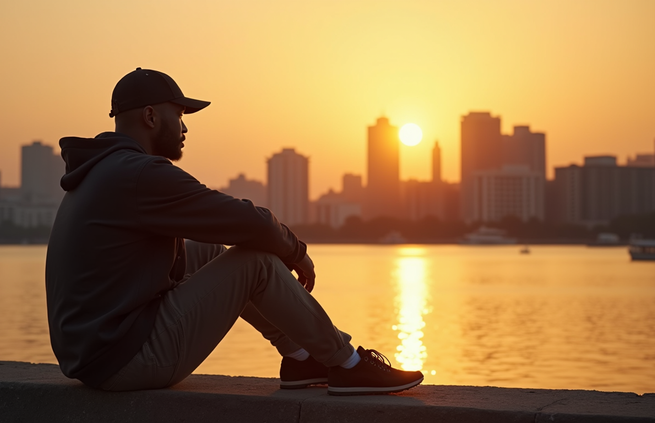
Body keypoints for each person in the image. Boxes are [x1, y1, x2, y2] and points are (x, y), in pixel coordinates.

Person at [45, 67, 424, 395]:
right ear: (150, 117)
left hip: (93, 354)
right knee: (255, 261)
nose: (185, 126)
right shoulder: (140, 174)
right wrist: (296, 250)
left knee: (209, 252)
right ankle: (347, 363)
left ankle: (300, 357)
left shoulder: (100, 171)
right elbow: (249, 222)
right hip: (124, 361)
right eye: (179, 115)